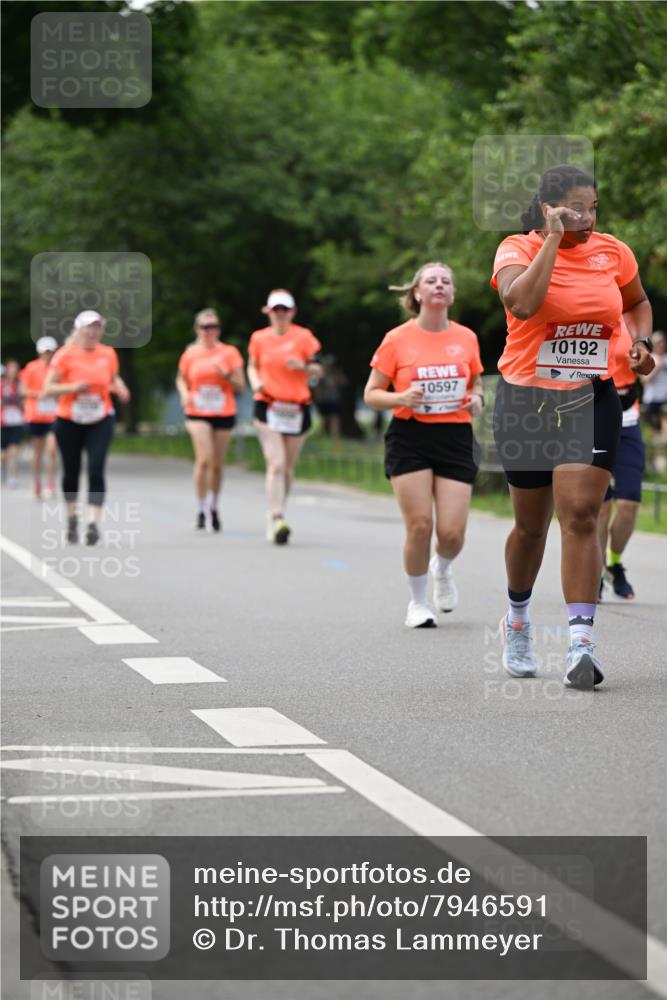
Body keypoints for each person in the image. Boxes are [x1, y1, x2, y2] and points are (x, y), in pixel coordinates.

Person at [491, 164, 654, 688]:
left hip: (590, 397)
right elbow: (522, 303)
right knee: (531, 527)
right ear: (549, 209)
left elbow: (637, 302)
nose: (588, 219)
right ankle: (517, 621)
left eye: (593, 208)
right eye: (576, 209)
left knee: (581, 515)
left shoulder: (613, 252)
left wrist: (640, 342)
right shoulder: (516, 249)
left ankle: (581, 643)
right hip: (527, 401)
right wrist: (552, 240)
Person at [364, 262, 484, 628]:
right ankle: (417, 603)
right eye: (431, 281)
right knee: (419, 525)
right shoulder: (396, 339)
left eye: (446, 281)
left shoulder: (466, 337)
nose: (439, 285)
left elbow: (476, 382)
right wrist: (400, 397)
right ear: (417, 293)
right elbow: (371, 394)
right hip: (410, 436)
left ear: (453, 293)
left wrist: (478, 399)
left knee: (452, 533)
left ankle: (442, 568)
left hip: (455, 436)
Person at [42, 310, 130, 545]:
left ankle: (92, 523)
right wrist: (73, 387)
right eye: (88, 327)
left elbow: (113, 378)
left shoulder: (108, 353)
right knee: (71, 470)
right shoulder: (65, 355)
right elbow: (48, 388)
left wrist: (121, 388)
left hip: (100, 418)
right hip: (69, 420)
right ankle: (72, 518)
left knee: (95, 469)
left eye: (97, 327)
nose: (93, 331)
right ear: (79, 330)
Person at [247, 289, 322, 544]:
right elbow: (252, 365)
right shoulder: (259, 338)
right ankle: (276, 516)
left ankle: (278, 511)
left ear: (292, 312)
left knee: (287, 468)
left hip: (296, 408)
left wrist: (303, 367)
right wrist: (255, 382)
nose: (280, 314)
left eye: (285, 309)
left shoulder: (304, 337)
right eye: (276, 310)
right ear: (268, 312)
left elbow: (318, 370)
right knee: (276, 463)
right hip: (268, 404)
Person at [176, 308, 245, 532]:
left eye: (214, 326)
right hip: (197, 411)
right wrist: (185, 394)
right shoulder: (190, 353)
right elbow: (181, 379)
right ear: (197, 329)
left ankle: (214, 506)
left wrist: (226, 375)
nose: (210, 331)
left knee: (217, 464)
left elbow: (241, 386)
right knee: (204, 459)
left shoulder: (229, 353)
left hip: (223, 412)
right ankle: (201, 508)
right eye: (205, 327)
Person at [597, 321, 644, 600]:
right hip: (595, 417)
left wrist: (645, 361)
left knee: (629, 502)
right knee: (600, 507)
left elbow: (646, 368)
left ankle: (614, 563)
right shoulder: (590, 310)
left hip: (628, 420)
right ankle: (596, 570)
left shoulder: (634, 320)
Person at [19, 337, 59, 500]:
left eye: (50, 352)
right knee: (38, 451)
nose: (47, 355)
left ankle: (51, 483)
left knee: (52, 450)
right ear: (40, 352)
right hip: (36, 415)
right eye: (45, 352)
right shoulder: (31, 367)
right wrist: (38, 394)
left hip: (53, 415)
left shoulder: (58, 368)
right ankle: (37, 482)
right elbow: (23, 390)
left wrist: (54, 393)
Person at [1, 360, 24, 488]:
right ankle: (3, 470)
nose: (13, 372)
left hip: (16, 421)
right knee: (3, 453)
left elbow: (25, 399)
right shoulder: (2, 385)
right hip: (3, 422)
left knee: (13, 450)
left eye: (15, 370)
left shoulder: (20, 385)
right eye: (11, 370)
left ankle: (12, 476)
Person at [640, 330, 667, 436]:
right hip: (652, 399)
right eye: (658, 343)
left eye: (662, 342)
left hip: (664, 398)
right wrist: (656, 367)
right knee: (653, 430)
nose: (661, 345)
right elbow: (644, 380)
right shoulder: (649, 358)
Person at [313, 356, 346, 437]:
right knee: (323, 418)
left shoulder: (336, 374)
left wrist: (338, 373)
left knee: (334, 418)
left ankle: (334, 435)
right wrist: (317, 397)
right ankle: (322, 435)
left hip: (334, 399)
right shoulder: (321, 374)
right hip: (323, 399)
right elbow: (316, 386)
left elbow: (344, 382)